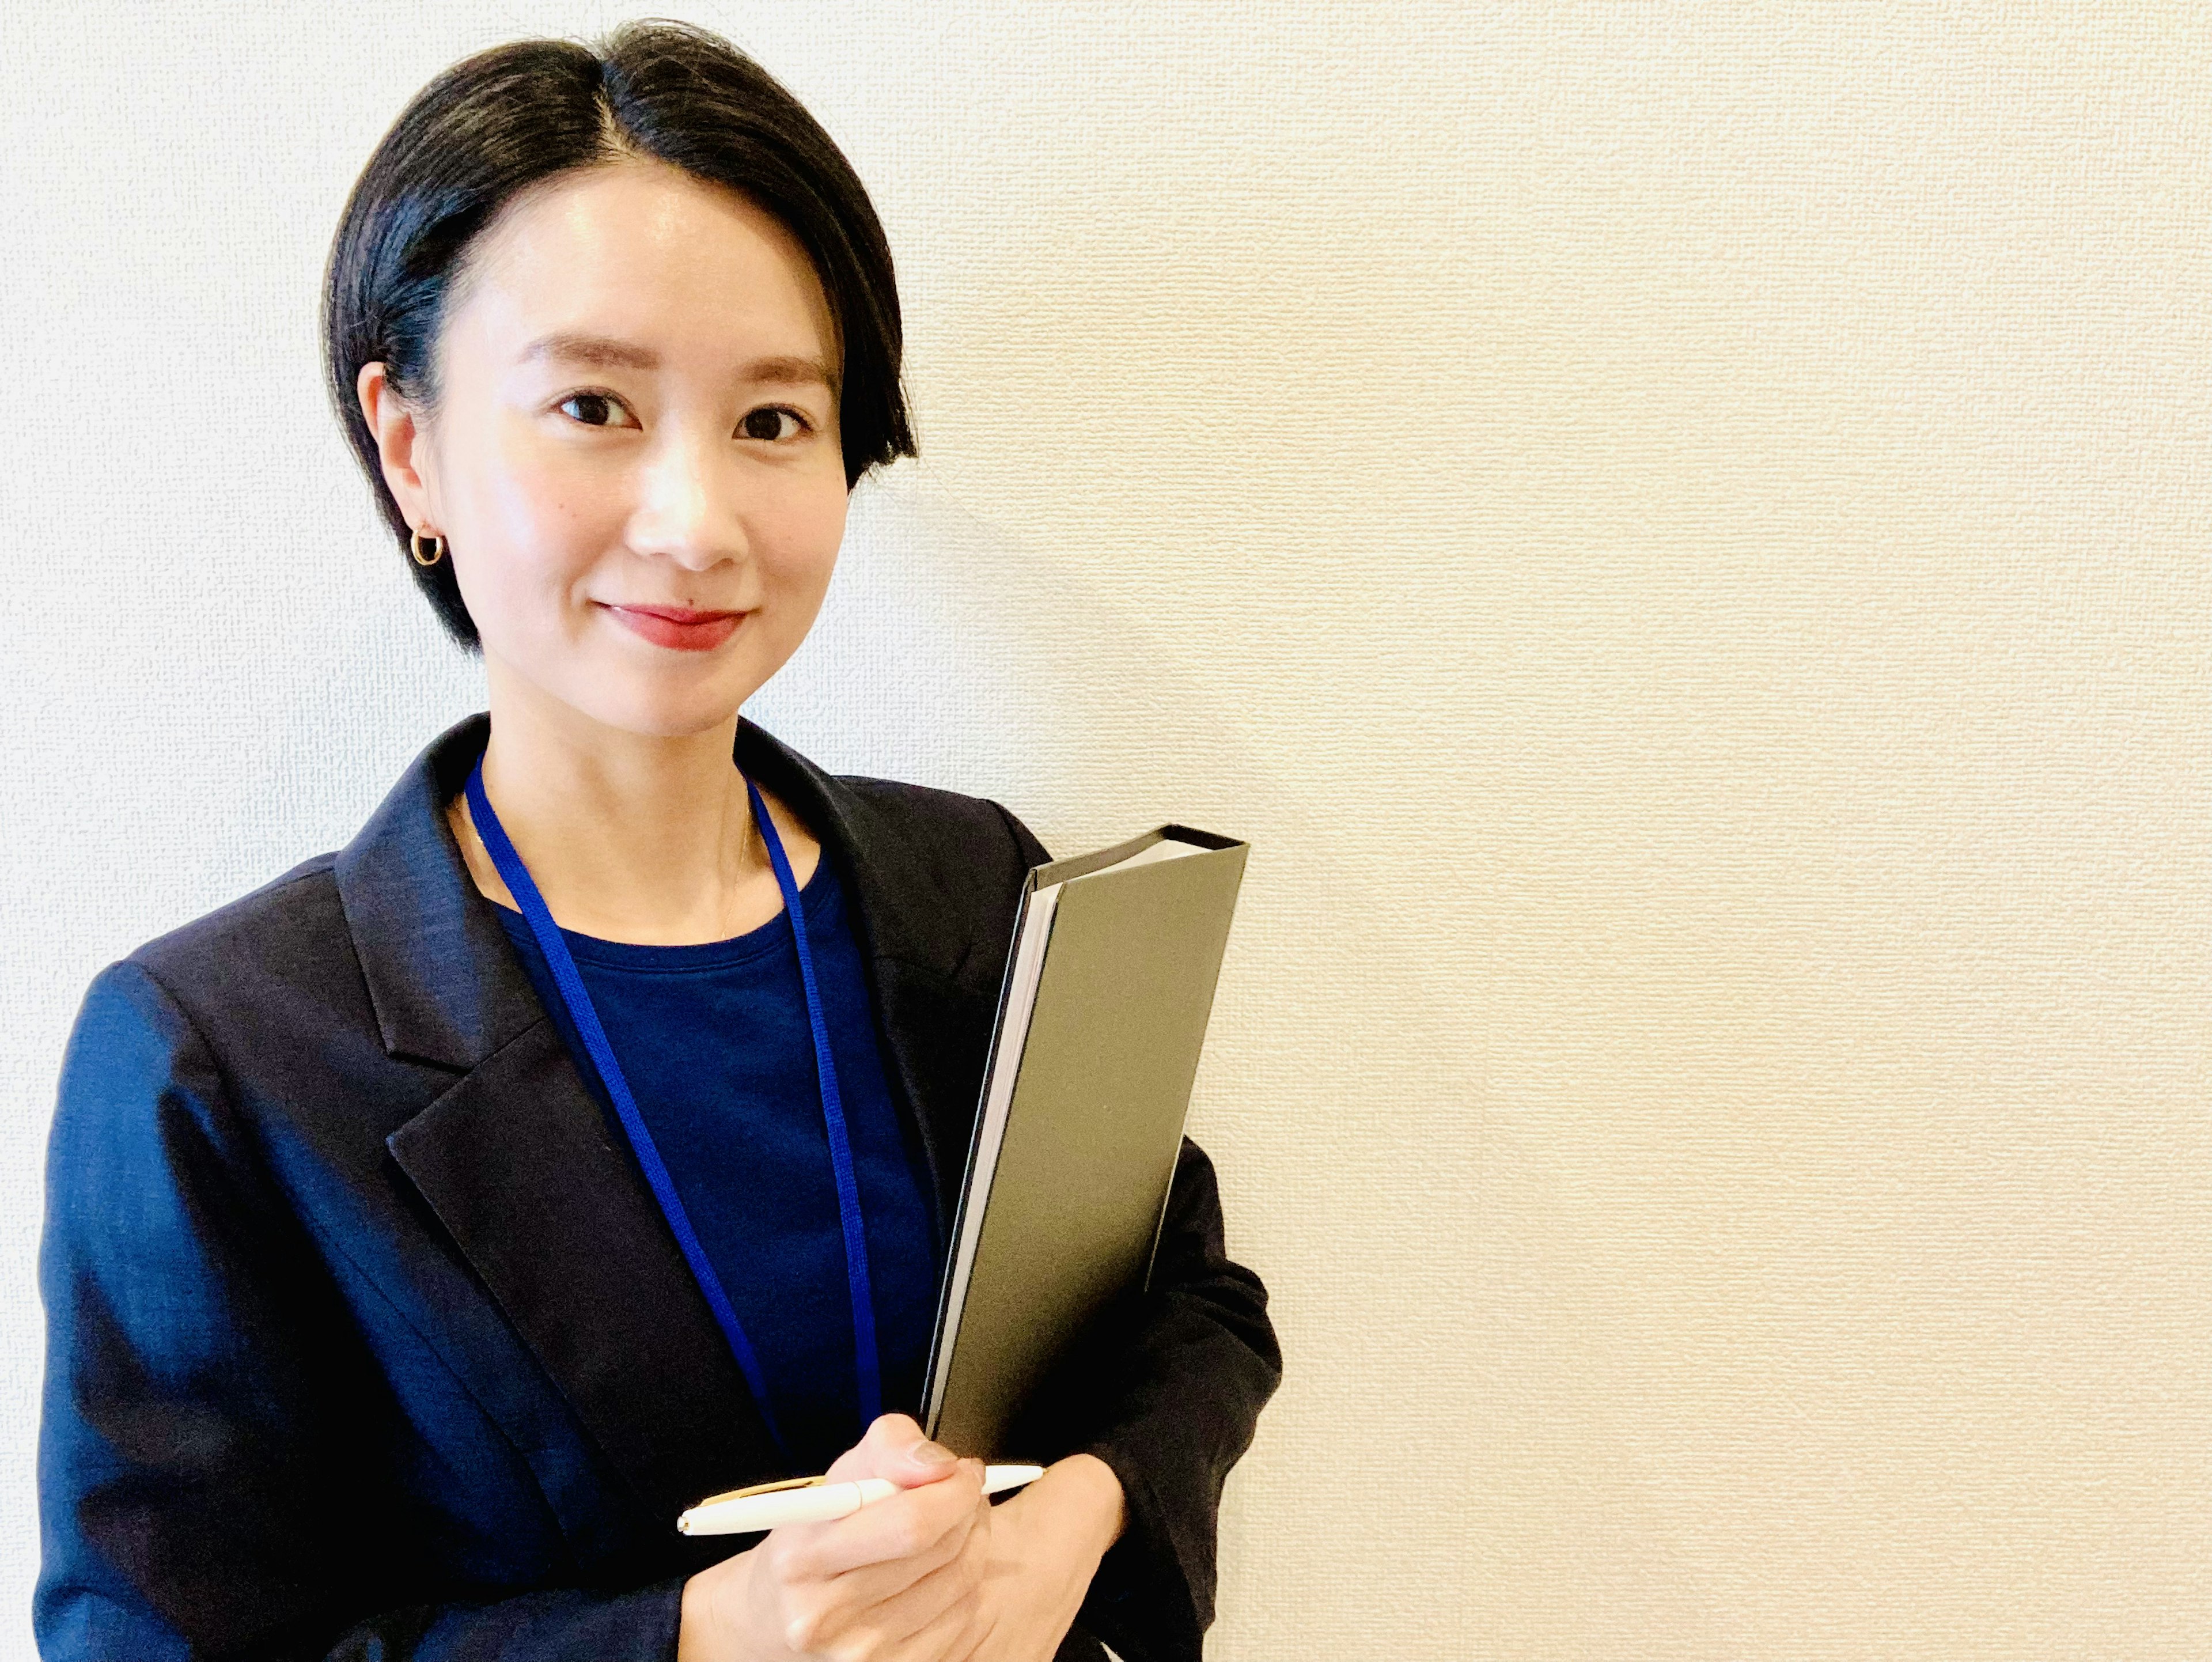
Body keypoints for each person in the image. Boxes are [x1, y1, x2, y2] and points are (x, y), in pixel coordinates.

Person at [34, 22, 1280, 1660]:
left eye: (774, 423)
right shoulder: (219, 1059)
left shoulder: (974, 891)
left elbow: (1191, 1310)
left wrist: (1070, 1527)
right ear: (412, 444)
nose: (696, 521)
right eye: (595, 405)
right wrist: (697, 1643)